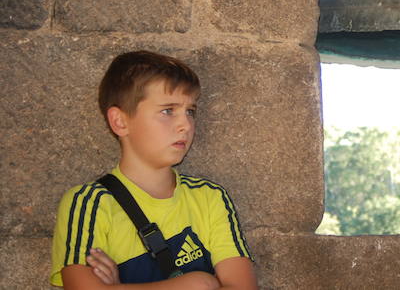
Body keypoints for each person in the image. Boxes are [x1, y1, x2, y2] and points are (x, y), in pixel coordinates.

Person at [50, 51, 257, 289]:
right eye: (168, 111)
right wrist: (198, 283)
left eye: (190, 111)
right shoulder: (88, 203)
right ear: (120, 121)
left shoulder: (210, 196)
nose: (185, 125)